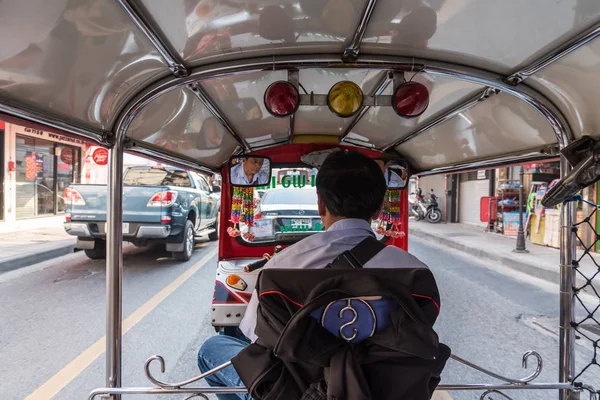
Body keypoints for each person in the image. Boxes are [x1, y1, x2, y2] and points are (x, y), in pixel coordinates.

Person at [197, 150, 429, 400]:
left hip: (298, 392)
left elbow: (255, 336)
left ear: (321, 204)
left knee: (212, 348)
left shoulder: (280, 266)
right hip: (379, 391)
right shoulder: (416, 273)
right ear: (379, 208)